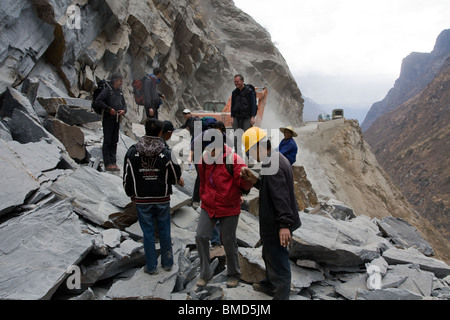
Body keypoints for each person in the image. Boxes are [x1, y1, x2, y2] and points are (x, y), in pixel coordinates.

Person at [240, 127, 301, 300]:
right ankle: (269, 283)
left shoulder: (272, 164)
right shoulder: (275, 159)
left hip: (277, 224)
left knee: (279, 261)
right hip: (273, 222)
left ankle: (281, 295)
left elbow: (281, 197)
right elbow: (271, 189)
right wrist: (255, 180)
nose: (251, 156)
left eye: (250, 151)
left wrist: (284, 225)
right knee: (269, 254)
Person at [123, 118, 184, 275]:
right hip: (162, 198)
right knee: (164, 230)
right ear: (159, 132)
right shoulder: (166, 152)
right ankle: (168, 263)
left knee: (148, 232)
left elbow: (127, 176)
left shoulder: (132, 152)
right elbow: (176, 175)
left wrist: (130, 193)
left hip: (142, 198)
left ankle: (151, 267)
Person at [195, 133, 253, 288]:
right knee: (201, 236)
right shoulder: (204, 160)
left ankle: (234, 274)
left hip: (229, 206)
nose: (210, 153)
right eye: (208, 149)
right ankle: (205, 273)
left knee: (228, 240)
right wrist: (203, 197)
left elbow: (243, 184)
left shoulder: (234, 160)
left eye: (213, 149)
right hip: (208, 204)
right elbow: (203, 181)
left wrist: (248, 181)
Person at [94, 73, 127, 172]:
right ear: (115, 81)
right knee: (108, 140)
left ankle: (114, 162)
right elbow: (98, 101)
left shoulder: (119, 92)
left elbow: (124, 105)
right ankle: (108, 163)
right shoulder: (107, 90)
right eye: (120, 81)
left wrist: (123, 111)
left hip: (117, 119)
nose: (121, 83)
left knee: (115, 140)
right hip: (108, 118)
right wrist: (109, 109)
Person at [231, 74, 257, 156]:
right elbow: (232, 105)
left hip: (247, 117)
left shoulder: (249, 92)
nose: (236, 83)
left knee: (247, 137)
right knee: (236, 137)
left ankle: (249, 156)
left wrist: (253, 117)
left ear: (242, 81)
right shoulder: (234, 92)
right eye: (235, 82)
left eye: (237, 81)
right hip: (237, 117)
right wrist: (232, 117)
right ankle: (237, 156)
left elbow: (253, 105)